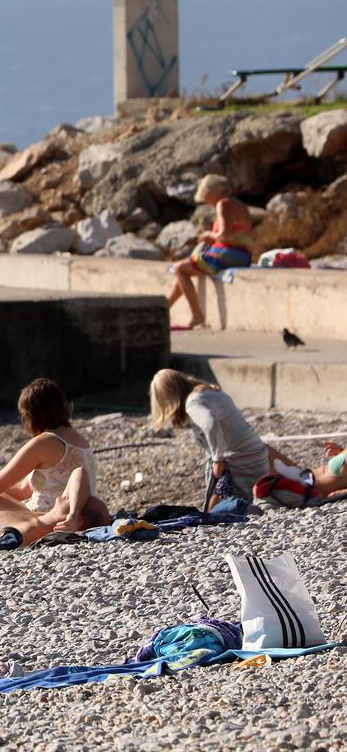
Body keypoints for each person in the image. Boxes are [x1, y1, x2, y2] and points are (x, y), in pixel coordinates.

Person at [147, 369, 347, 507]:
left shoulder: (195, 400)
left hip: (252, 461)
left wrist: (217, 459)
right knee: (229, 498)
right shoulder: (204, 393)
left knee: (220, 503)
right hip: (274, 462)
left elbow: (210, 423)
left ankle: (219, 516)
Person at [0, 377, 105, 534]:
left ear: (32, 415)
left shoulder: (45, 442)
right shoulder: (80, 440)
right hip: (79, 516)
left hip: (47, 517)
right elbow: (22, 490)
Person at [167, 174, 253, 331]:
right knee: (184, 268)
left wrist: (208, 235)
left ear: (214, 192)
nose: (206, 201)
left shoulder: (223, 204)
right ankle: (165, 308)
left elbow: (225, 236)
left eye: (206, 196)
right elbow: (239, 237)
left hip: (228, 255)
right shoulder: (240, 205)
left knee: (180, 269)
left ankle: (196, 317)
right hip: (243, 256)